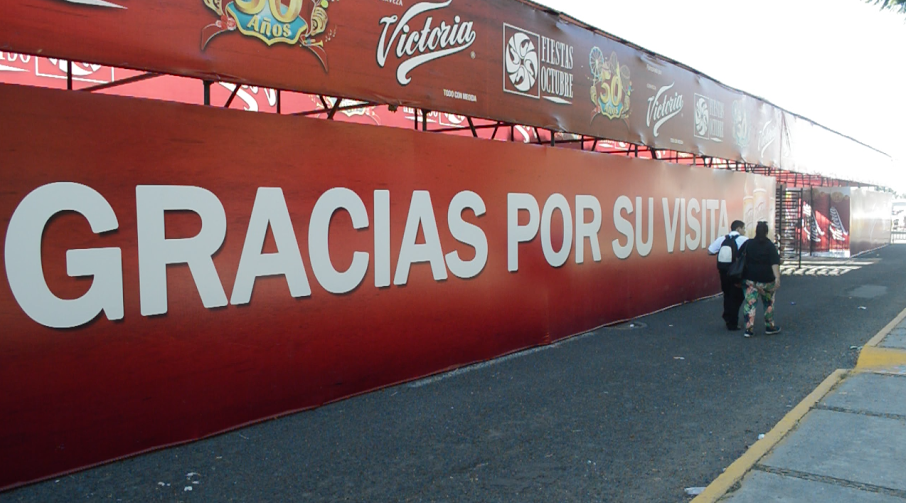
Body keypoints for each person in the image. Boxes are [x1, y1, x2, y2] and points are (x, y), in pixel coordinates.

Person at [740, 221, 781, 338]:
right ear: (766, 232)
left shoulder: (748, 244)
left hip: (750, 279)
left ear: (756, 231)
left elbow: (740, 257)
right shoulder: (770, 246)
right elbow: (774, 263)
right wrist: (777, 277)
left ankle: (749, 329)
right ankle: (769, 326)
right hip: (767, 280)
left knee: (750, 304)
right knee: (768, 303)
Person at [708, 220, 747, 330]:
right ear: (738, 229)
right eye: (743, 229)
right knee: (737, 296)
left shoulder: (722, 239)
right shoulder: (744, 240)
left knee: (727, 294)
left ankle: (727, 316)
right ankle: (733, 322)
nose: (744, 231)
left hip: (723, 271)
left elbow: (710, 251)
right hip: (736, 273)